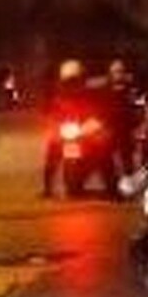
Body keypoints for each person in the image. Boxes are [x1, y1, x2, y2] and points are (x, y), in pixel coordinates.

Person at [41, 59, 93, 198]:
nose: (73, 83)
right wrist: (54, 126)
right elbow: (49, 112)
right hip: (60, 131)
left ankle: (77, 184)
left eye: (76, 80)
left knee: (87, 153)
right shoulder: (57, 96)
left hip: (77, 131)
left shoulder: (85, 95)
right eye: (70, 80)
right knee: (51, 156)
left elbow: (89, 111)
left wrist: (86, 126)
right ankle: (47, 188)